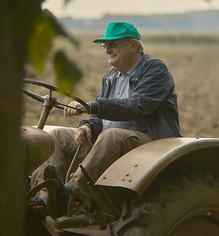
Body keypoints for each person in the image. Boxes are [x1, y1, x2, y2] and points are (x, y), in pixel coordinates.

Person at [30, 21, 182, 218]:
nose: (107, 49)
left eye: (113, 44)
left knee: (111, 136)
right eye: (104, 45)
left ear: (133, 46)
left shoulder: (155, 70)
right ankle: (42, 196)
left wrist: (92, 106)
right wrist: (87, 126)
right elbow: (99, 116)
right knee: (56, 136)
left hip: (150, 144)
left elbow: (139, 106)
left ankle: (71, 196)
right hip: (110, 141)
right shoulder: (111, 76)